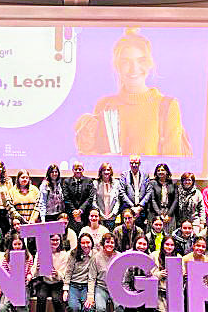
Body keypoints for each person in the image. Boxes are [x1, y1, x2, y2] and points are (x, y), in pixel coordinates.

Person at [73, 27, 192, 157]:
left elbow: (172, 166)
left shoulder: (167, 106)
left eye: (140, 61)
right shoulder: (104, 105)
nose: (134, 69)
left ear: (149, 63)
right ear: (117, 65)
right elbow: (94, 161)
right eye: (126, 62)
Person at [33, 233, 70, 312]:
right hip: (44, 281)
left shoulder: (64, 255)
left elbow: (64, 275)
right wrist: (38, 270)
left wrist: (56, 273)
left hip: (57, 282)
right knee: (41, 298)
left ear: (60, 241)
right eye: (52, 240)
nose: (54, 242)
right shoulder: (41, 253)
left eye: (57, 240)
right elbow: (34, 273)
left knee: (57, 300)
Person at [0, 234, 35, 312]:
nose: (17, 246)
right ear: (11, 245)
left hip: (23, 285)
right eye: (15, 244)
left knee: (21, 304)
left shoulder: (28, 257)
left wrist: (29, 275)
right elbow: (4, 273)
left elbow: (31, 271)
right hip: (10, 286)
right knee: (2, 307)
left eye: (19, 244)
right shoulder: (6, 258)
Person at [63, 233, 96, 312]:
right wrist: (66, 289)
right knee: (74, 308)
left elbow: (93, 277)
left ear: (92, 243)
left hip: (86, 286)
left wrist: (90, 295)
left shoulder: (95, 255)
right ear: (79, 243)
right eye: (83, 243)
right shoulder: (73, 253)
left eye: (88, 242)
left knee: (88, 308)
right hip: (73, 285)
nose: (86, 245)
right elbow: (68, 271)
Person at [124, 235, 155, 312]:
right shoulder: (128, 257)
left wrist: (151, 274)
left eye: (144, 244)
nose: (141, 246)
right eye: (139, 244)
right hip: (131, 289)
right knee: (133, 309)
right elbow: (125, 280)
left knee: (150, 309)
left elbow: (154, 277)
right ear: (135, 244)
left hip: (146, 291)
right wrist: (130, 294)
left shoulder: (151, 257)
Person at [153, 236, 185, 312]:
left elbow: (182, 274)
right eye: (167, 244)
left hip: (174, 292)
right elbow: (149, 273)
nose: (169, 247)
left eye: (171, 245)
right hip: (159, 291)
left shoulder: (178, 257)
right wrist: (159, 274)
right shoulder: (155, 255)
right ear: (162, 245)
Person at [91, 233, 121, 312]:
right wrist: (90, 295)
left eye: (112, 242)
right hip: (101, 287)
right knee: (100, 309)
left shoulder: (120, 256)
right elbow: (92, 277)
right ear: (103, 243)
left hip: (116, 288)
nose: (110, 244)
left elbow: (125, 274)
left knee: (120, 308)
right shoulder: (96, 257)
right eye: (107, 242)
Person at [119, 155, 151, 229]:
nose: (134, 165)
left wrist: (140, 207)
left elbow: (148, 192)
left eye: (136, 163)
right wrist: (132, 207)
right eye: (132, 163)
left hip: (142, 210)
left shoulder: (145, 175)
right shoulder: (124, 175)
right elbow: (122, 192)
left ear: (140, 163)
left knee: (140, 231)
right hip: (127, 208)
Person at [62, 161, 95, 232]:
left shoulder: (89, 181)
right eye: (75, 169)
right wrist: (74, 211)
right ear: (72, 170)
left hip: (85, 214)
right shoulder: (66, 181)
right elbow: (66, 197)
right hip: (71, 214)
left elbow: (90, 197)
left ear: (83, 170)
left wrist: (80, 210)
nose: (78, 171)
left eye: (80, 169)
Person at [149, 163, 178, 233]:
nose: (160, 172)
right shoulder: (152, 183)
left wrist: (169, 214)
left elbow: (175, 199)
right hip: (156, 213)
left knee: (169, 235)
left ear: (167, 172)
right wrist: (160, 214)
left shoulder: (173, 183)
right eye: (158, 170)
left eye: (162, 170)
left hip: (169, 213)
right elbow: (153, 200)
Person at [93, 163, 121, 230]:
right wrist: (100, 213)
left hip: (112, 216)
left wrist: (113, 213)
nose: (106, 172)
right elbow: (94, 201)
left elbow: (118, 201)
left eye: (108, 170)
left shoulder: (116, 183)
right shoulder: (95, 183)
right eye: (104, 170)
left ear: (111, 171)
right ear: (101, 172)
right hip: (100, 216)